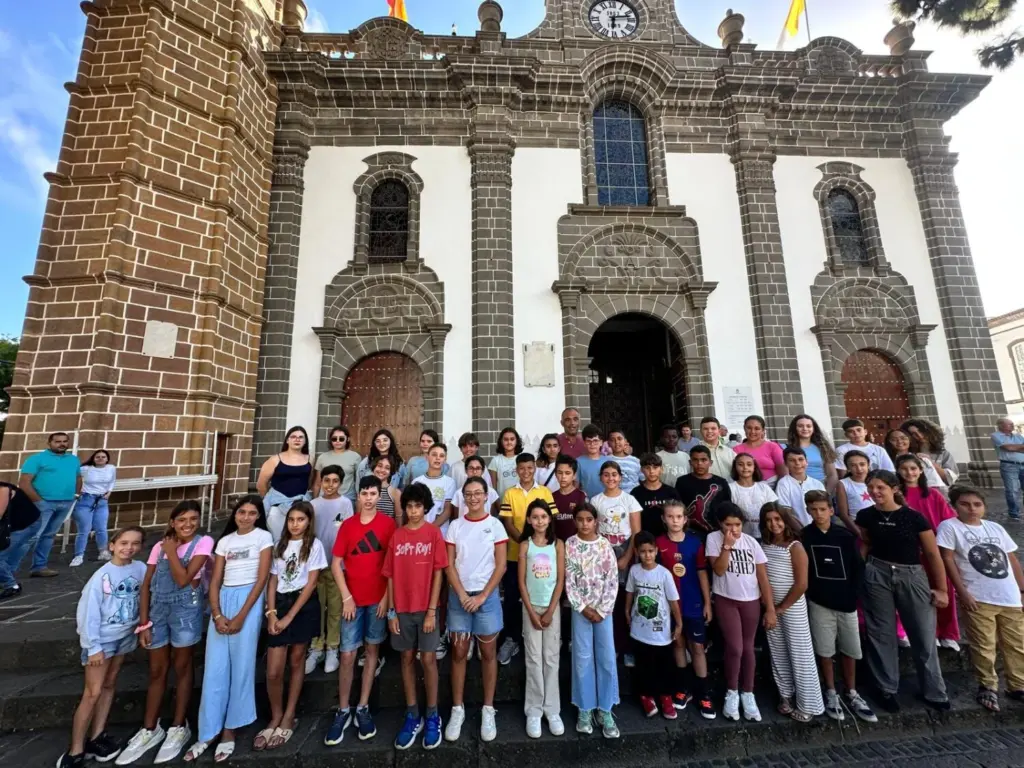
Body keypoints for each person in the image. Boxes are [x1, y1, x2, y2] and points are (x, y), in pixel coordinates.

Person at [117, 502, 213, 766]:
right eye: (181, 520)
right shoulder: (160, 547)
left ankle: (179, 725)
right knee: (157, 670)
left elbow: (184, 579)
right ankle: (149, 728)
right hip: (158, 613)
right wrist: (144, 623)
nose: (188, 524)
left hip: (185, 613)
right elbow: (147, 584)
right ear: (172, 522)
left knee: (183, 667)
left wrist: (171, 551)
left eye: (193, 519)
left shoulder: (202, 543)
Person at [185, 495, 273, 762]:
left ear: (258, 516)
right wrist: (217, 613)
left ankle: (230, 730)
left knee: (242, 666)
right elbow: (215, 580)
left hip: (249, 600)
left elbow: (262, 579)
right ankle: (208, 730)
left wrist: (242, 616)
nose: (245, 517)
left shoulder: (263, 538)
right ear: (235, 514)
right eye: (241, 512)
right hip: (223, 599)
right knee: (214, 668)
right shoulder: (225, 541)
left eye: (251, 513)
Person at [857, 470, 949, 713]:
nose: (875, 492)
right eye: (871, 488)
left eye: (880, 488)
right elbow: (866, 543)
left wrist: (941, 588)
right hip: (877, 572)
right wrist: (860, 571)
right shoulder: (865, 515)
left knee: (922, 632)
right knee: (880, 632)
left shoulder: (914, 518)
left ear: (894, 489)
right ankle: (886, 687)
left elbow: (931, 553)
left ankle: (934, 690)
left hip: (911, 574)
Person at [56, 526, 146, 768]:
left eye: (135, 543)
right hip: (102, 639)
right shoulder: (101, 576)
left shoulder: (140, 569)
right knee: (92, 692)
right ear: (112, 546)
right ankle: (75, 749)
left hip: (125, 635)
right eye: (124, 543)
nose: (129, 548)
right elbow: (88, 614)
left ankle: (97, 736)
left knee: (109, 685)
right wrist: (92, 645)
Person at [937, 485, 1024, 713]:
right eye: (965, 504)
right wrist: (962, 592)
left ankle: (1018, 685)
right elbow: (947, 559)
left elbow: (1011, 559)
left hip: (1009, 595)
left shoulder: (995, 527)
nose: (972, 509)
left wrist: (1021, 589)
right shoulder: (950, 527)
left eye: (977, 504)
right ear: (954, 506)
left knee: (1017, 644)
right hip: (978, 595)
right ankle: (988, 686)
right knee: (984, 644)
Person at [324, 476, 396, 745]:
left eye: (373, 493)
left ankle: (363, 706)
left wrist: (387, 598)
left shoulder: (388, 525)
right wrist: (346, 597)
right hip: (352, 603)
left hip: (377, 601)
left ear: (379, 496)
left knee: (372, 652)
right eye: (364, 493)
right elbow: (336, 563)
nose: (368, 498)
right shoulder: (349, 526)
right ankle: (343, 710)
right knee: (347, 654)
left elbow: (392, 564)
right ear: (358, 496)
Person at [256, 501, 327, 751]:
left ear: (308, 522)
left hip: (302, 605)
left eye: (300, 520)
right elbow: (272, 580)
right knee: (274, 669)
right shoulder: (279, 545)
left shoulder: (315, 546)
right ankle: (275, 715)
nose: (295, 524)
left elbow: (311, 583)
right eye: (291, 520)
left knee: (297, 661)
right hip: (280, 604)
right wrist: (272, 612)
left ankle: (289, 715)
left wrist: (289, 617)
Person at [801, 490, 876, 724]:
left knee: (850, 648)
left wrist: (854, 595)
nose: (819, 513)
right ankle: (831, 690)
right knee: (824, 649)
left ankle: (852, 691)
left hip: (846, 602)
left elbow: (857, 567)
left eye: (823, 509)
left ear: (831, 511)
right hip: (820, 600)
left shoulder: (844, 536)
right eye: (813, 509)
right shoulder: (805, 536)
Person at [384, 483, 448, 750]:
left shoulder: (434, 534)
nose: (413, 511)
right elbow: (389, 575)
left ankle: (432, 714)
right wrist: (391, 611)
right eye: (409, 506)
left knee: (429, 659)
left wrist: (432, 610)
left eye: (418, 506)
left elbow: (438, 573)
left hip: (426, 609)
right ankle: (413, 714)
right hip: (402, 609)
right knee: (407, 658)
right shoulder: (397, 537)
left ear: (426, 507)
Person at [444, 476, 508, 743]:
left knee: (488, 652)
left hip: (487, 597)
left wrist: (482, 596)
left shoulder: (495, 526)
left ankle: (488, 708)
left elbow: (501, 565)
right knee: (459, 651)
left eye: (477, 493)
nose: (473, 498)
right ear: (463, 497)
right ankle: (457, 708)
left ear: (486, 496)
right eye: (468, 494)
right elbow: (449, 564)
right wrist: (461, 594)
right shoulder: (455, 526)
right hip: (459, 595)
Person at [705, 503, 775, 722]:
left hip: (751, 601)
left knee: (748, 647)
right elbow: (718, 569)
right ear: (720, 524)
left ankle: (748, 692)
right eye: (728, 525)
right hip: (727, 599)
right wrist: (727, 546)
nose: (734, 529)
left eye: (737, 524)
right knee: (734, 647)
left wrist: (770, 607)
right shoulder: (714, 539)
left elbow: (762, 577)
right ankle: (732, 691)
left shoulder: (751, 542)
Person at [759, 503, 824, 723]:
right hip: (771, 606)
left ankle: (808, 703)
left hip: (792, 607)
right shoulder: (765, 544)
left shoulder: (795, 546)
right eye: (769, 520)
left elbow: (801, 584)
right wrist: (771, 609)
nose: (774, 524)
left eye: (778, 519)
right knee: (778, 652)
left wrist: (781, 608)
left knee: (800, 652)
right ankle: (785, 694)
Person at [565, 502, 621, 739]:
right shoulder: (570, 545)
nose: (585, 524)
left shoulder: (604, 545)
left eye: (589, 519)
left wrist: (602, 608)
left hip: (603, 611)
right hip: (581, 610)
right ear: (575, 520)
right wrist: (583, 607)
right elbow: (568, 578)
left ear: (596, 521)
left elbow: (612, 579)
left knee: (606, 658)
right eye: (580, 519)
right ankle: (585, 707)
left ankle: (606, 708)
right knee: (582, 658)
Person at [655, 499, 714, 719]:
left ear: (685, 519)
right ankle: (683, 688)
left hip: (693, 603)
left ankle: (704, 692)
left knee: (697, 647)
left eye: (679, 516)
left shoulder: (695, 543)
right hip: (670, 605)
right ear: (664, 519)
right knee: (678, 644)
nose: (675, 520)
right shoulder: (659, 543)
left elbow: (701, 572)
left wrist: (707, 602)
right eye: (670, 516)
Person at [896, 454, 960, 650]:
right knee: (917, 593)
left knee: (943, 588)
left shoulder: (933, 494)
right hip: (909, 550)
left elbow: (949, 521)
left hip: (934, 548)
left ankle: (948, 632)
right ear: (898, 471)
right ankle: (927, 632)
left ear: (921, 470)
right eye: (904, 469)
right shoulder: (897, 495)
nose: (909, 473)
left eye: (913, 469)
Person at [498, 453, 555, 666]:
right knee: (513, 597)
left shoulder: (545, 492)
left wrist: (536, 546)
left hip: (542, 557)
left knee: (540, 596)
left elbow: (551, 520)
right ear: (517, 470)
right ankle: (512, 639)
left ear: (535, 469)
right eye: (522, 468)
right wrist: (525, 543)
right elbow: (508, 522)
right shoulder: (510, 493)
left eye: (530, 468)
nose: (526, 472)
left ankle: (545, 639)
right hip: (516, 555)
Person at [3, 431, 81, 581]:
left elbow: (78, 478)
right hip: (43, 503)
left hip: (65, 502)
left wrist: (76, 495)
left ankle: (39, 566)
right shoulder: (37, 459)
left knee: (49, 535)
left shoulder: (73, 460)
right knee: (30, 537)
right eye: (57, 441)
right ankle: (7, 570)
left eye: (65, 441)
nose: (62, 444)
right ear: (49, 443)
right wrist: (39, 501)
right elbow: (24, 482)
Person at [518, 499, 566, 738]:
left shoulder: (557, 545)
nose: (539, 521)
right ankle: (534, 710)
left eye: (543, 517)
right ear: (529, 520)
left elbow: (560, 581)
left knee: (551, 657)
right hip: (530, 608)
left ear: (550, 519)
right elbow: (521, 582)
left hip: (551, 608)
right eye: (535, 517)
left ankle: (552, 709)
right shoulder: (525, 546)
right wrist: (530, 610)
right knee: (534, 658)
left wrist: (550, 610)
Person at [625, 531, 682, 720]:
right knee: (643, 664)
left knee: (663, 665)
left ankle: (665, 697)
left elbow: (673, 600)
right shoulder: (634, 571)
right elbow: (630, 593)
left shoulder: (664, 574)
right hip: (640, 629)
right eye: (643, 552)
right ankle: (645, 696)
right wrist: (627, 611)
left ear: (656, 551)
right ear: (637, 552)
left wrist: (678, 623)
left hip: (661, 630)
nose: (647, 555)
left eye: (650, 551)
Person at [590, 460, 642, 665]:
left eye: (614, 474)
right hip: (604, 553)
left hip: (626, 551)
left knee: (625, 601)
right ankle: (609, 646)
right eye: (606, 474)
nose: (610, 478)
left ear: (620, 477)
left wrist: (627, 557)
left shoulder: (629, 500)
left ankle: (627, 647)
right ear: (601, 478)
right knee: (605, 601)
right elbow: (593, 532)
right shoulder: (596, 501)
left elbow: (636, 532)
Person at [306, 465, 354, 676]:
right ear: (321, 482)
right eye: (327, 480)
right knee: (318, 607)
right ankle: (316, 647)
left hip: (338, 564)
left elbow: (348, 531)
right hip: (316, 564)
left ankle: (333, 646)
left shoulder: (345, 503)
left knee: (335, 607)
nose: (330, 485)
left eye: (335, 481)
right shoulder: (313, 504)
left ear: (341, 483)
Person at [256, 426, 313, 533]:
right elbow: (261, 484)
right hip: (277, 507)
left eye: (301, 437)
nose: (297, 439)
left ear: (305, 441)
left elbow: (310, 482)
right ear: (287, 440)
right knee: (278, 538)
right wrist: (273, 498)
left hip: (301, 505)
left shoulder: (310, 459)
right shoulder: (275, 459)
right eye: (293, 437)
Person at [71, 449, 117, 567]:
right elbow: (74, 479)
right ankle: (79, 555)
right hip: (86, 499)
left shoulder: (111, 468)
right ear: (93, 458)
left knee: (101, 528)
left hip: (102, 500)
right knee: (84, 530)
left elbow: (112, 481)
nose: (101, 459)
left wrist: (109, 492)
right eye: (98, 457)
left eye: (103, 457)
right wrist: (77, 493)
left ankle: (103, 552)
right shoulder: (85, 469)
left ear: (107, 459)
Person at [674, 445, 731, 535]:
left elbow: (727, 509)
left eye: (704, 460)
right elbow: (677, 507)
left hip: (716, 532)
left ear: (710, 462)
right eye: (695, 460)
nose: (699, 463)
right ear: (690, 462)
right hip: (688, 532)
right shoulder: (682, 482)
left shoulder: (721, 482)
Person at [0, 479, 41, 600]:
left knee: (1, 555)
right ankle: (7, 576)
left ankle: (12, 586)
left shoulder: (3, 489)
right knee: (7, 555)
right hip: (12, 526)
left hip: (26, 525)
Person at [728, 453, 778, 538]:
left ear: (754, 467)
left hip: (764, 535)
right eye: (740, 464)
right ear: (735, 467)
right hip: (740, 536)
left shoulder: (764, 487)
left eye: (749, 464)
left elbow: (773, 509)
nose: (745, 468)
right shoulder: (730, 488)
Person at [633, 452, 681, 538]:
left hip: (668, 538)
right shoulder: (636, 493)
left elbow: (679, 516)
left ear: (661, 469)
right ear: (641, 470)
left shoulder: (671, 492)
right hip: (645, 540)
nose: (651, 471)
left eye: (655, 467)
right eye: (647, 468)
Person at [786, 415, 838, 493]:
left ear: (813, 429)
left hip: (820, 488)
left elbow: (832, 475)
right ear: (794, 428)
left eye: (808, 426)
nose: (805, 429)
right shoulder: (786, 448)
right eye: (800, 426)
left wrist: (827, 494)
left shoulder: (823, 448)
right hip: (796, 488)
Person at [775, 448, 826, 526]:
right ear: (785, 463)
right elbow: (786, 513)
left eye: (801, 459)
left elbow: (825, 509)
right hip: (797, 530)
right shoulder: (783, 484)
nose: (797, 463)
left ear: (806, 462)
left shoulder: (817, 484)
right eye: (792, 460)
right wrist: (803, 532)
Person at [903, 418, 959, 487]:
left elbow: (951, 478)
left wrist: (929, 463)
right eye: (913, 434)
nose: (919, 435)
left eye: (921, 431)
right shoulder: (908, 453)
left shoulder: (943, 453)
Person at [413, 443, 456, 532]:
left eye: (441, 456)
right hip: (419, 530)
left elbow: (447, 510)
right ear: (427, 457)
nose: (437, 458)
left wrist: (430, 529)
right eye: (434, 454)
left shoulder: (449, 482)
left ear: (445, 459)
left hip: (440, 532)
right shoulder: (417, 482)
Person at [733, 415, 786, 487]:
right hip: (746, 488)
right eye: (749, 428)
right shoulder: (736, 449)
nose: (752, 431)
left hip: (773, 487)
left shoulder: (773, 447)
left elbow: (783, 472)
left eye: (757, 428)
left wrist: (779, 489)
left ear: (763, 430)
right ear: (744, 428)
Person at [313, 426, 361, 500]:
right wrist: (314, 500)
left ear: (347, 439)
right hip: (325, 498)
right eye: (334, 439)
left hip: (347, 497)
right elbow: (317, 483)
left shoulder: (355, 457)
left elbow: (358, 480)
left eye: (341, 439)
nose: (338, 441)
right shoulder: (322, 457)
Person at [835, 450, 874, 535]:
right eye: (853, 465)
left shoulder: (877, 480)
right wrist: (860, 534)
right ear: (848, 468)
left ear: (868, 464)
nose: (859, 469)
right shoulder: (843, 484)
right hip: (859, 526)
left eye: (862, 464)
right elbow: (844, 515)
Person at [991, 418, 1024, 520]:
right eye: (1010, 424)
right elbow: (1008, 448)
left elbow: (1012, 447)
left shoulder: (1018, 436)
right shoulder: (996, 435)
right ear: (1001, 425)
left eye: (1012, 424)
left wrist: (1014, 447)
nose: (1012, 426)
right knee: (1012, 490)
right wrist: (1019, 447)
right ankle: (1014, 513)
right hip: (1008, 466)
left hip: (1023, 464)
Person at [551, 455, 587, 541]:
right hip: (557, 545)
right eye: (560, 473)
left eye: (567, 473)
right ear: (555, 474)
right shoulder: (551, 497)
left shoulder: (582, 497)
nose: (563, 477)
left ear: (574, 475)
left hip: (577, 545)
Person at [488, 427, 523, 497]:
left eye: (512, 439)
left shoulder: (522, 459)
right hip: (502, 501)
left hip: (520, 500)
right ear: (501, 441)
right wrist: (496, 505)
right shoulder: (495, 461)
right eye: (506, 439)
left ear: (517, 441)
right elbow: (493, 488)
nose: (509, 442)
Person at [577, 424, 607, 498]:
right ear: (584, 443)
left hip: (606, 501)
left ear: (601, 442)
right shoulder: (578, 462)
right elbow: (576, 485)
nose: (592, 444)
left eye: (595, 441)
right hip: (588, 502)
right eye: (588, 441)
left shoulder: (608, 461)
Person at [369, 455, 402, 521]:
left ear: (390, 472)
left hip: (389, 530)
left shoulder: (395, 493)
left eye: (387, 468)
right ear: (374, 467)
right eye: (380, 466)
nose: (382, 470)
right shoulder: (364, 490)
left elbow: (399, 518)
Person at [608, 429, 641, 493]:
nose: (616, 442)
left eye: (619, 439)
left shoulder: (636, 461)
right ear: (608, 443)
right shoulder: (605, 460)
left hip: (634, 499)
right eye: (612, 440)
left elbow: (643, 480)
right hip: (614, 499)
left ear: (625, 441)